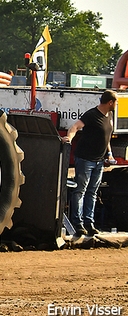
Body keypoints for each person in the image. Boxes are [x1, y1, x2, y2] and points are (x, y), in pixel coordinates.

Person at [61, 90, 118, 236]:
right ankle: (78, 223)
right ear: (110, 102)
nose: (116, 104)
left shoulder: (109, 116)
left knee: (92, 192)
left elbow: (107, 138)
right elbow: (75, 127)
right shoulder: (91, 115)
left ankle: (89, 223)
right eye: (116, 102)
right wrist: (69, 138)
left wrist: (109, 153)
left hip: (99, 161)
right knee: (81, 190)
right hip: (86, 159)